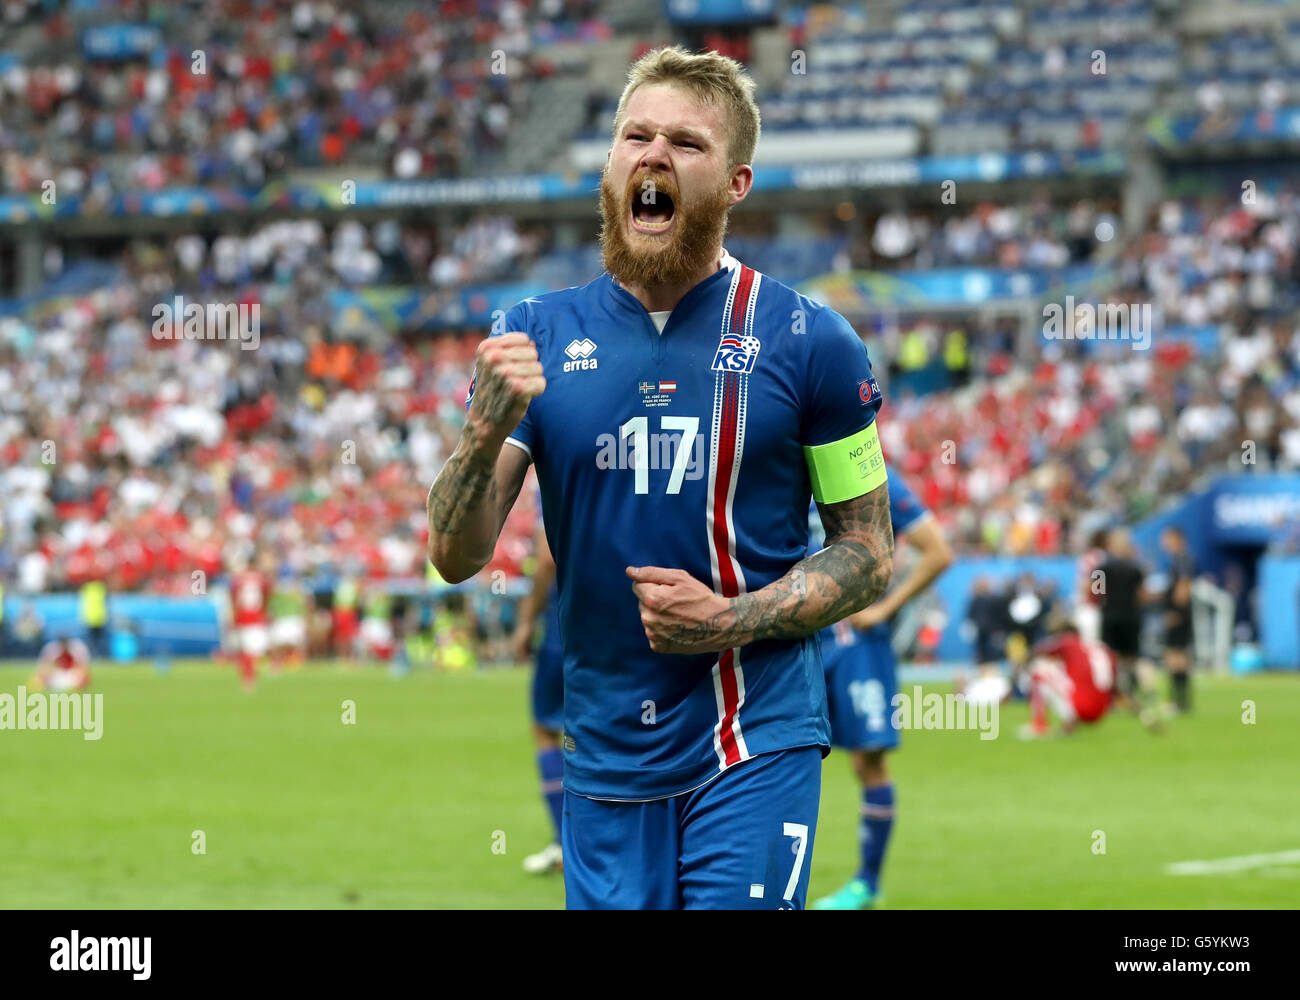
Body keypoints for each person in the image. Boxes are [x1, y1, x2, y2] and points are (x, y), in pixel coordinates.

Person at [427, 46, 894, 910]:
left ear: (737, 182)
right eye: (634, 135)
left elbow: (868, 550)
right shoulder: (532, 332)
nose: (653, 156)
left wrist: (732, 619)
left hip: (755, 735)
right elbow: (455, 556)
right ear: (609, 164)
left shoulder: (812, 340)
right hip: (603, 755)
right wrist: (480, 431)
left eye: (685, 143)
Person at [809, 464, 952, 910]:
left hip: (857, 646)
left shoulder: (864, 468)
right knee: (780, 757)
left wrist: (884, 609)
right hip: (797, 638)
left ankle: (867, 883)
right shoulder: (775, 458)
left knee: (868, 761)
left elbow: (938, 552)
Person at [512, 523, 566, 875]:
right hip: (630, 627)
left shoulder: (561, 472)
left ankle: (565, 844)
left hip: (567, 627)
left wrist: (527, 619)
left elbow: (547, 560)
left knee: (546, 729)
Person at [1019, 616, 1114, 738]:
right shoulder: (1100, 646)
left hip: (1081, 707)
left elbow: (1037, 651)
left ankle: (1039, 725)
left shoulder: (1068, 642)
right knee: (1068, 674)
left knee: (1039, 670)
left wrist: (1020, 666)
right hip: (1101, 711)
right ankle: (1070, 724)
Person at [1160, 526, 1195, 713]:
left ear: (1177, 539)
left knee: (1175, 656)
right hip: (1182, 614)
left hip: (1179, 614)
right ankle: (1182, 702)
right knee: (1178, 655)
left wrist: (1175, 612)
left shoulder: (1182, 560)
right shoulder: (1180, 560)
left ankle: (1177, 701)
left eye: (1167, 539)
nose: (1164, 543)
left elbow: (1183, 587)